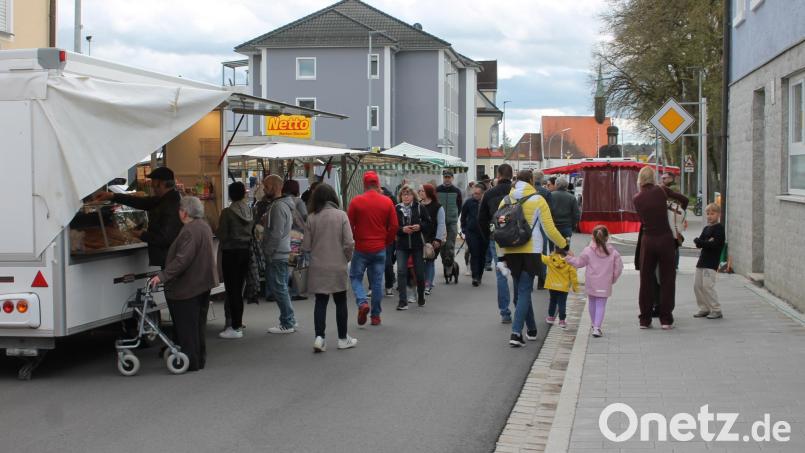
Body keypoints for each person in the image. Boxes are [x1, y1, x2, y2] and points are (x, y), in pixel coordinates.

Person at [498, 170, 568, 347]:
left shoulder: (506, 200)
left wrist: (500, 254)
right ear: (531, 181)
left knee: (521, 291)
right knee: (523, 292)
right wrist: (563, 245)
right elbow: (550, 230)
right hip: (531, 250)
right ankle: (515, 333)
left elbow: (498, 228)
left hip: (511, 250)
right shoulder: (538, 200)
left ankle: (531, 329)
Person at [148, 197, 217, 371]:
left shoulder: (189, 231)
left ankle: (189, 360)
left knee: (187, 326)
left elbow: (182, 260)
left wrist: (162, 276)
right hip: (203, 283)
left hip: (188, 286)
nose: (178, 212)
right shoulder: (204, 226)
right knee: (198, 325)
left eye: (180, 209)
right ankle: (199, 359)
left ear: (185, 212)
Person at [303, 183, 358, 352]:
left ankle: (320, 338)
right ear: (333, 197)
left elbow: (306, 246)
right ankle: (343, 338)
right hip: (338, 265)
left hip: (318, 266)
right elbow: (349, 242)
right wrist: (346, 258)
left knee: (320, 302)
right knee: (341, 301)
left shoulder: (311, 217)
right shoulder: (341, 215)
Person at [633, 166, 689, 330]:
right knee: (667, 280)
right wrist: (676, 216)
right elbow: (684, 200)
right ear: (653, 178)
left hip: (648, 240)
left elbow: (643, 219)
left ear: (640, 180)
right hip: (666, 239)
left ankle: (645, 319)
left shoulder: (637, 198)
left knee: (646, 280)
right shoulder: (662, 190)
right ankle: (666, 319)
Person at [94, 166, 182, 268]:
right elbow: (141, 202)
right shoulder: (163, 199)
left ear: (161, 183)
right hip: (170, 258)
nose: (151, 185)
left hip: (171, 260)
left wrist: (142, 234)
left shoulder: (171, 204)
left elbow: (164, 238)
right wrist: (112, 196)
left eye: (153, 181)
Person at [347, 171, 398, 326]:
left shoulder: (356, 201)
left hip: (362, 247)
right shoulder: (387, 202)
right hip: (379, 247)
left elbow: (349, 226)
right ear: (377, 184)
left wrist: (356, 238)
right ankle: (375, 316)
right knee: (377, 282)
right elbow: (394, 226)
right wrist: (386, 241)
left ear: (364, 184)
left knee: (355, 277)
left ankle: (362, 303)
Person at [565, 225, 624, 337]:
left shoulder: (588, 251)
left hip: (591, 282)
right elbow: (619, 267)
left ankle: (594, 324)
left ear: (592, 237)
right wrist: (613, 278)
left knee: (592, 302)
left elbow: (579, 263)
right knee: (601, 305)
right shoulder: (613, 252)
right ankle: (597, 328)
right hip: (605, 282)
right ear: (607, 237)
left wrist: (568, 258)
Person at [261, 174, 298, 334]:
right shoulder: (281, 205)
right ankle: (289, 319)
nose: (264, 189)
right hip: (281, 251)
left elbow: (276, 233)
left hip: (277, 253)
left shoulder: (277, 207)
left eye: (266, 186)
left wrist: (268, 251)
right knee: (280, 287)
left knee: (279, 288)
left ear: (275, 187)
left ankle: (287, 321)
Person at [477, 163, 514, 323]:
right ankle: (520, 308)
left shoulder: (490, 193)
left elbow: (481, 218)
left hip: (497, 238)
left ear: (498, 176)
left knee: (501, 275)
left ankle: (505, 312)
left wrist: (488, 236)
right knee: (518, 274)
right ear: (512, 176)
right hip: (517, 238)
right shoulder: (517, 192)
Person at [217, 182, 253, 339]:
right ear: (244, 194)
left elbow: (222, 234)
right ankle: (238, 322)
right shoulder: (249, 210)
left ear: (230, 195)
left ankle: (234, 326)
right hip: (245, 251)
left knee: (232, 290)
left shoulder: (227, 213)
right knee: (239, 288)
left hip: (230, 253)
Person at [394, 185, 431, 309]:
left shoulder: (420, 207)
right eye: (403, 194)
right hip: (402, 245)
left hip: (417, 245)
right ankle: (402, 301)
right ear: (400, 196)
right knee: (401, 271)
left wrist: (419, 226)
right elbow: (391, 226)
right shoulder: (396, 208)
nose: (405, 196)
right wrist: (401, 229)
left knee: (420, 273)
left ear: (413, 196)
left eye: (408, 194)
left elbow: (428, 223)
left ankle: (420, 295)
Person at [693, 203, 725, 320]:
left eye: (712, 213)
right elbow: (699, 243)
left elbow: (715, 245)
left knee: (707, 286)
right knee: (697, 286)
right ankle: (704, 308)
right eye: (708, 214)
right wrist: (705, 242)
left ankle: (716, 309)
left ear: (718, 214)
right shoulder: (706, 228)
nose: (710, 216)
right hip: (701, 261)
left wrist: (703, 242)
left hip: (711, 263)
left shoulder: (719, 229)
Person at [282, 179, 309, 302]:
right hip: (297, 235)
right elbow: (305, 216)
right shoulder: (298, 201)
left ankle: (282, 289)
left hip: (285, 236)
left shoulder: (280, 201)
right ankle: (295, 291)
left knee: (287, 264)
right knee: (296, 265)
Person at [418, 184, 445, 295]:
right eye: (419, 191)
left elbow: (441, 224)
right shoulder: (418, 205)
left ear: (428, 192)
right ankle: (427, 281)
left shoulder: (438, 207)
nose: (419, 192)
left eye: (422, 191)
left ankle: (427, 284)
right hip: (420, 237)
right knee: (422, 261)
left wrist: (438, 239)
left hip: (433, 238)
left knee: (429, 260)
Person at [542, 248, 579, 329]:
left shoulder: (550, 259)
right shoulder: (569, 262)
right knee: (562, 303)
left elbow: (541, 257)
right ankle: (562, 320)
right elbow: (573, 275)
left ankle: (551, 317)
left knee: (552, 301)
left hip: (552, 286)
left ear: (555, 250)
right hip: (563, 287)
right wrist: (575, 287)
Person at [436, 170, 463, 276]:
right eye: (445, 177)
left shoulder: (457, 191)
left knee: (450, 245)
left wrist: (454, 215)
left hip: (452, 221)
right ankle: (445, 264)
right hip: (440, 222)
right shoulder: (437, 190)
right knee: (442, 245)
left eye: (449, 177)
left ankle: (450, 266)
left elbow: (459, 205)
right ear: (443, 177)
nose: (447, 179)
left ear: (452, 178)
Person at [461, 183, 486, 286]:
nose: (475, 195)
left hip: (484, 233)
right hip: (471, 232)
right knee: (474, 254)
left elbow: (492, 217)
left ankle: (479, 275)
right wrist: (464, 229)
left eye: (477, 194)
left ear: (482, 194)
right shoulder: (469, 202)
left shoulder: (486, 203)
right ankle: (475, 277)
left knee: (482, 255)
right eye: (474, 193)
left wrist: (491, 231)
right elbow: (463, 216)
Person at [533, 171, 553, 290]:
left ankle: (528, 279)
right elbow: (550, 211)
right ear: (541, 180)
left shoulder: (526, 191)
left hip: (527, 225)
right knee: (542, 252)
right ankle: (541, 280)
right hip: (541, 225)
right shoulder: (546, 192)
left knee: (529, 252)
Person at [549, 177, 580, 244]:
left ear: (556, 185)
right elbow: (576, 214)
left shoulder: (550, 196)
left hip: (553, 226)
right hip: (567, 227)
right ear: (566, 185)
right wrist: (573, 225)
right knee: (566, 248)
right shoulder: (572, 197)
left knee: (552, 249)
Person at [381, 186, 398, 297]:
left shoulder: (391, 203)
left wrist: (392, 237)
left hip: (388, 238)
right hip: (376, 237)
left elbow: (395, 224)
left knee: (388, 263)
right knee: (372, 264)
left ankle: (388, 285)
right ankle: (372, 287)